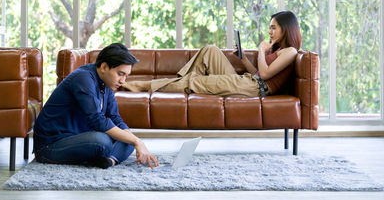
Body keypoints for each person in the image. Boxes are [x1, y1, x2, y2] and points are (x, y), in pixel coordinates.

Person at [33, 43, 159, 169]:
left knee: (128, 138)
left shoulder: (106, 83)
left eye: (126, 76)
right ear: (104, 67)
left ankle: (109, 161)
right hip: (50, 146)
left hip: (78, 140)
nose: (123, 81)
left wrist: (135, 141)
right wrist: (137, 141)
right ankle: (108, 154)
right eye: (120, 74)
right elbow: (97, 120)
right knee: (102, 140)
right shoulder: (83, 78)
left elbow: (115, 118)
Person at [123, 11, 302, 98]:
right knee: (211, 51)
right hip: (247, 81)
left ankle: (143, 86)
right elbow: (258, 72)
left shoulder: (291, 52)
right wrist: (243, 59)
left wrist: (262, 50)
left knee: (193, 80)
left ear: (285, 29)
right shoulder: (277, 50)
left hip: (253, 88)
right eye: (270, 27)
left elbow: (264, 75)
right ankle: (180, 83)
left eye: (273, 27)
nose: (270, 31)